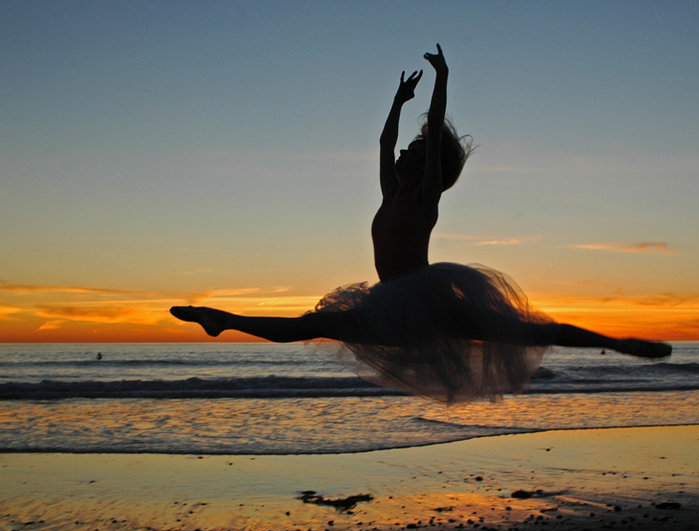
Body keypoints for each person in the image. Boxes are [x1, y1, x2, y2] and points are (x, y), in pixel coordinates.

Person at [171, 44, 671, 403]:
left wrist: (442, 80)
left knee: (522, 331)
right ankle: (223, 320)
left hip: (425, 297)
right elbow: (385, 145)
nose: (409, 151)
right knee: (313, 324)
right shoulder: (392, 191)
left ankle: (618, 343)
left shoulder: (427, 195)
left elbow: (429, 144)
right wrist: (396, 102)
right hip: (388, 301)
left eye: (417, 150)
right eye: (411, 150)